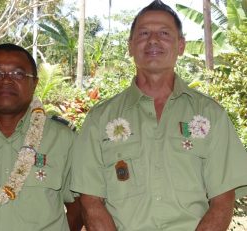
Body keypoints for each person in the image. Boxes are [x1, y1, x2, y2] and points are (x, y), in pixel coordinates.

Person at [70, 1, 247, 230]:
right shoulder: (99, 119)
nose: (153, 40)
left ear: (181, 46)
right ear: (131, 46)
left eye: (164, 33)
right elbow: (91, 201)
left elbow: (223, 200)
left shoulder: (211, 115)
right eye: (143, 33)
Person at [0, 43, 82, 231]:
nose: (6, 81)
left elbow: (79, 207)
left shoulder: (64, 139)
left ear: (34, 82)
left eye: (18, 74)